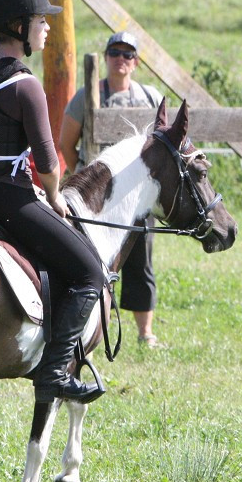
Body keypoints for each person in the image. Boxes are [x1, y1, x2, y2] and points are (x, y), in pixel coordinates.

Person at [0, 0, 106, 403]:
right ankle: (56, 372)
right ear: (19, 26)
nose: (47, 27)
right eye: (40, 19)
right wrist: (54, 198)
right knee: (90, 272)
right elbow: (48, 164)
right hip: (5, 203)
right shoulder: (23, 84)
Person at [58, 31, 165, 348]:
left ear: (136, 62)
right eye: (115, 52)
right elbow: (67, 144)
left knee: (141, 262)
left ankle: (145, 332)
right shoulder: (87, 95)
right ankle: (91, 325)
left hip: (138, 198)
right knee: (93, 261)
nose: (121, 59)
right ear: (106, 58)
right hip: (97, 200)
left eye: (128, 54)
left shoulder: (150, 97)